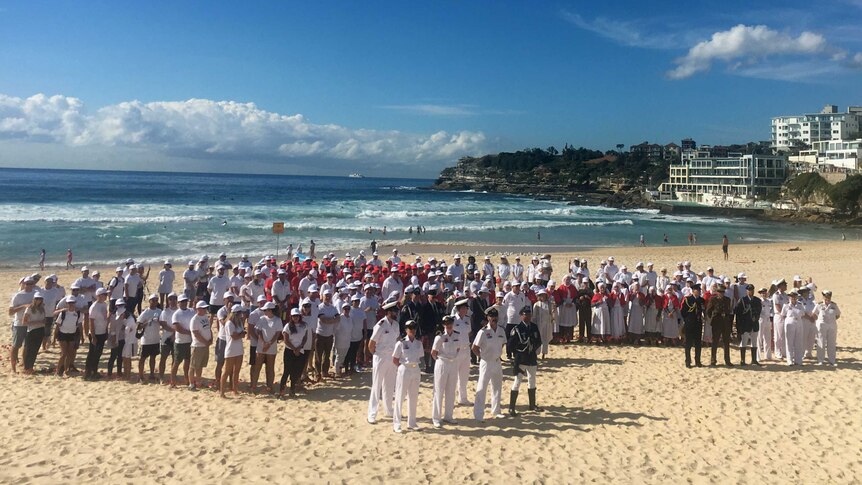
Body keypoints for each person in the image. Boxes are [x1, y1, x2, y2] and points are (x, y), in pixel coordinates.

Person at [367, 301, 400, 425]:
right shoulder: (381, 324)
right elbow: (371, 344)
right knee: (377, 385)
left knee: (389, 385)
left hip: (391, 357)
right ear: (389, 312)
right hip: (380, 357)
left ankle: (388, 410)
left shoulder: (396, 324)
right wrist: (376, 355)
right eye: (394, 311)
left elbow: (397, 340)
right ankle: (372, 413)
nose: (396, 313)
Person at [472, 306, 507, 422]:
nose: (494, 319)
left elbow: (502, 344)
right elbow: (474, 347)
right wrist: (481, 356)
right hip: (486, 362)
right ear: (488, 318)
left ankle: (496, 411)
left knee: (497, 387)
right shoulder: (483, 332)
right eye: (491, 316)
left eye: (495, 316)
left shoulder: (501, 330)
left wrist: (497, 354)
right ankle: (478, 414)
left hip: (497, 362)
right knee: (482, 388)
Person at [508, 305, 542, 416]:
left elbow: (539, 340)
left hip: (531, 358)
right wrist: (515, 357)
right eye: (525, 314)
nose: (528, 316)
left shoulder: (534, 327)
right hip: (521, 359)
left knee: (532, 380)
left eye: (529, 314)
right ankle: (511, 407)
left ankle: (532, 405)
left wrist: (533, 346)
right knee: (517, 382)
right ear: (521, 316)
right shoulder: (517, 329)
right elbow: (510, 345)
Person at [392, 320, 424, 433]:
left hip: (415, 369)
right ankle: (397, 423)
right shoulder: (401, 343)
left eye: (414, 328)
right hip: (404, 368)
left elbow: (420, 356)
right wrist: (402, 368)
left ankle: (412, 422)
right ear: (406, 330)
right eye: (410, 328)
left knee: (413, 396)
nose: (413, 331)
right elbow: (395, 359)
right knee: (400, 396)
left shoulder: (418, 343)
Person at [431, 315, 460, 428]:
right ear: (443, 325)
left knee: (451, 390)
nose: (448, 326)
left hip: (453, 363)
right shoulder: (440, 337)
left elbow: (458, 348)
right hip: (442, 363)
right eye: (446, 324)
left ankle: (448, 415)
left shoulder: (457, 335)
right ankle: (436, 418)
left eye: (450, 324)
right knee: (439, 391)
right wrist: (440, 361)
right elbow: (434, 352)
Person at [252, 302, 282, 393]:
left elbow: (277, 334)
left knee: (270, 367)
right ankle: (254, 386)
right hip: (261, 346)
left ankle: (270, 386)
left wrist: (268, 344)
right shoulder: (262, 319)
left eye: (265, 310)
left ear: (270, 310)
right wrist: (263, 343)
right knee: (257, 367)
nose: (264, 311)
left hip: (271, 346)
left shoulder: (277, 320)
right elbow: (258, 331)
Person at [9, 276, 36, 373]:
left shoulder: (36, 294)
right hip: (19, 323)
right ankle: (13, 368)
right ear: (24, 284)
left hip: (31, 324)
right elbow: (10, 312)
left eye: (31, 283)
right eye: (27, 283)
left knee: (27, 346)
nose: (29, 285)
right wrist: (23, 306)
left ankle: (25, 366)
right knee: (16, 345)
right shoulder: (18, 295)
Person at [279, 308, 308, 398]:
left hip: (300, 351)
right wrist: (294, 349)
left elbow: (305, 337)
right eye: (294, 316)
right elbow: (286, 340)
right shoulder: (287, 326)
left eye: (297, 316)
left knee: (295, 373)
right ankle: (281, 392)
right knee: (286, 371)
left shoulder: (304, 325)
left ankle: (292, 391)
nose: (296, 317)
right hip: (289, 351)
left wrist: (299, 347)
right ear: (291, 317)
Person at [221, 304, 246, 398]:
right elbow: (234, 336)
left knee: (237, 371)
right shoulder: (229, 323)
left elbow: (239, 334)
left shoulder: (239, 322)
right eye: (240, 313)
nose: (242, 315)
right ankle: (222, 392)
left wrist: (241, 334)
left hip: (239, 349)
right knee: (227, 371)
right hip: (231, 349)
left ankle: (235, 390)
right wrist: (241, 334)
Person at [54, 296, 83, 376]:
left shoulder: (78, 313)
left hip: (72, 334)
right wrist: (54, 337)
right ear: (67, 303)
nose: (71, 304)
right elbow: (57, 326)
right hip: (62, 334)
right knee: (64, 353)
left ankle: (66, 371)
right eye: (69, 303)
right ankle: (58, 370)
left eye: (72, 303)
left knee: (70, 353)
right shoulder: (63, 313)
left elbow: (80, 325)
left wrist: (82, 336)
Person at [169, 295, 194, 388]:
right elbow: (177, 328)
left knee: (187, 361)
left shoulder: (191, 311)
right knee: (176, 362)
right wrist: (190, 333)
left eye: (185, 301)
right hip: (180, 342)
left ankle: (186, 379)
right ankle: (173, 381)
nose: (184, 303)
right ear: (178, 303)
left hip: (189, 342)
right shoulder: (176, 314)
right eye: (182, 301)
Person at [452, 298, 473, 406]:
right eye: (464, 308)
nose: (466, 310)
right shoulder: (453, 320)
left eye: (466, 308)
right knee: (454, 375)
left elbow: (468, 333)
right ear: (459, 309)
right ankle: (452, 397)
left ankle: (463, 398)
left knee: (464, 376)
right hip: (457, 350)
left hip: (466, 349)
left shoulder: (467, 319)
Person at [706, 284, 733, 366]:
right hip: (716, 322)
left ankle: (727, 360)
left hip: (725, 323)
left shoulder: (727, 299)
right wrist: (712, 320)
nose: (721, 293)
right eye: (720, 292)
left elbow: (729, 310)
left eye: (723, 292)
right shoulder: (713, 299)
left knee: (726, 342)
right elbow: (708, 311)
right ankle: (713, 360)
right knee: (715, 342)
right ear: (717, 292)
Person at [137, 294, 162, 382]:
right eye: (153, 300)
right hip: (146, 339)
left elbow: (163, 323)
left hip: (155, 338)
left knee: (153, 357)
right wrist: (147, 323)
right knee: (142, 358)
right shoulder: (146, 312)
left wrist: (158, 321)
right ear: (150, 301)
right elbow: (139, 326)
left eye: (156, 300)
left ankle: (152, 374)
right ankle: (141, 376)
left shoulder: (159, 311)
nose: (155, 302)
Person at [734, 285, 761, 366]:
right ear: (746, 291)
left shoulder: (757, 300)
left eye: (752, 290)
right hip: (745, 324)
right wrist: (739, 325)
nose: (751, 291)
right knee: (744, 342)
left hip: (754, 324)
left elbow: (759, 311)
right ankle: (742, 360)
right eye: (749, 290)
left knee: (754, 342)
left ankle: (754, 360)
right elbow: (738, 313)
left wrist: (755, 318)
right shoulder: (742, 300)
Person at [189, 300, 213, 389]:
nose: (205, 309)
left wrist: (211, 339)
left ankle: (198, 381)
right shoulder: (194, 320)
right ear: (198, 309)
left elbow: (208, 328)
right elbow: (196, 334)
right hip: (197, 345)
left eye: (205, 308)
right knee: (193, 366)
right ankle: (191, 384)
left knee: (200, 365)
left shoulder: (205, 317)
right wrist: (205, 342)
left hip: (205, 345)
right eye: (203, 308)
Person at [21, 291, 47, 374]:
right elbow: (24, 322)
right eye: (37, 298)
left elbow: (44, 320)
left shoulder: (42, 308)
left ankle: (30, 367)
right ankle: (26, 368)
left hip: (40, 330)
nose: (38, 300)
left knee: (35, 350)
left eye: (40, 299)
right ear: (34, 299)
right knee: (29, 350)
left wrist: (43, 322)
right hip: (32, 330)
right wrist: (38, 322)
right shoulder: (29, 309)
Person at [812, 290, 840, 366]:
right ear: (823, 296)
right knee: (821, 342)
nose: (827, 298)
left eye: (829, 296)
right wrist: (819, 321)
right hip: (821, 325)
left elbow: (838, 315)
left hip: (832, 325)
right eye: (826, 296)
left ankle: (832, 360)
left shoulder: (834, 305)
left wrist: (831, 320)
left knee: (832, 343)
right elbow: (814, 314)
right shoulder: (819, 305)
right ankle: (820, 360)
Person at [781, 290, 808, 366]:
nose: (793, 298)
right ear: (789, 297)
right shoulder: (786, 305)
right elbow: (783, 315)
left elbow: (803, 313)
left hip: (799, 322)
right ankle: (789, 361)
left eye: (794, 296)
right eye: (791, 296)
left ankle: (798, 360)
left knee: (798, 342)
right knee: (789, 342)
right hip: (790, 321)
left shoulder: (800, 304)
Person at [681, 284, 705, 368]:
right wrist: (688, 320)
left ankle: (697, 361)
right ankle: (688, 361)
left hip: (698, 324)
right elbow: (683, 312)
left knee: (698, 344)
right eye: (697, 290)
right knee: (688, 343)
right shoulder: (688, 299)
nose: (698, 292)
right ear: (693, 291)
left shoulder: (702, 300)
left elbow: (702, 310)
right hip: (689, 324)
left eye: (699, 290)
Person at [158, 292, 178, 383]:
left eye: (174, 299)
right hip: (166, 338)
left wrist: (175, 334)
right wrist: (173, 331)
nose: (173, 301)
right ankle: (161, 377)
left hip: (177, 338)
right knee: (163, 358)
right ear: (168, 300)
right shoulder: (165, 312)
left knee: (175, 358)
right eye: (171, 299)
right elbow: (163, 324)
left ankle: (172, 377)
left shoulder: (179, 311)